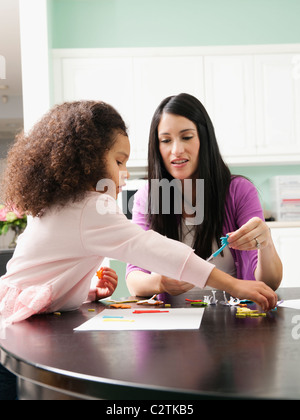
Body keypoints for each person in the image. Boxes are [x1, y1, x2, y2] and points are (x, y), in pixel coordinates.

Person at [0, 100, 277, 399]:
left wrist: (88, 289)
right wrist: (234, 284)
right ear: (88, 160)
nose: (125, 173)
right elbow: (153, 249)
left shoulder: (60, 202)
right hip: (17, 327)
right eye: (119, 162)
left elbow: (47, 271)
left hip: (17, 327)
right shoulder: (92, 206)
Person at [126, 93, 282, 297]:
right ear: (157, 146)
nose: (177, 150)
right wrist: (161, 282)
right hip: (171, 321)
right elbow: (134, 280)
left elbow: (268, 284)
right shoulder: (147, 196)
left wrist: (266, 243)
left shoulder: (239, 191)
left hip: (232, 319)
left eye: (187, 137)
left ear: (204, 138)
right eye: (165, 140)